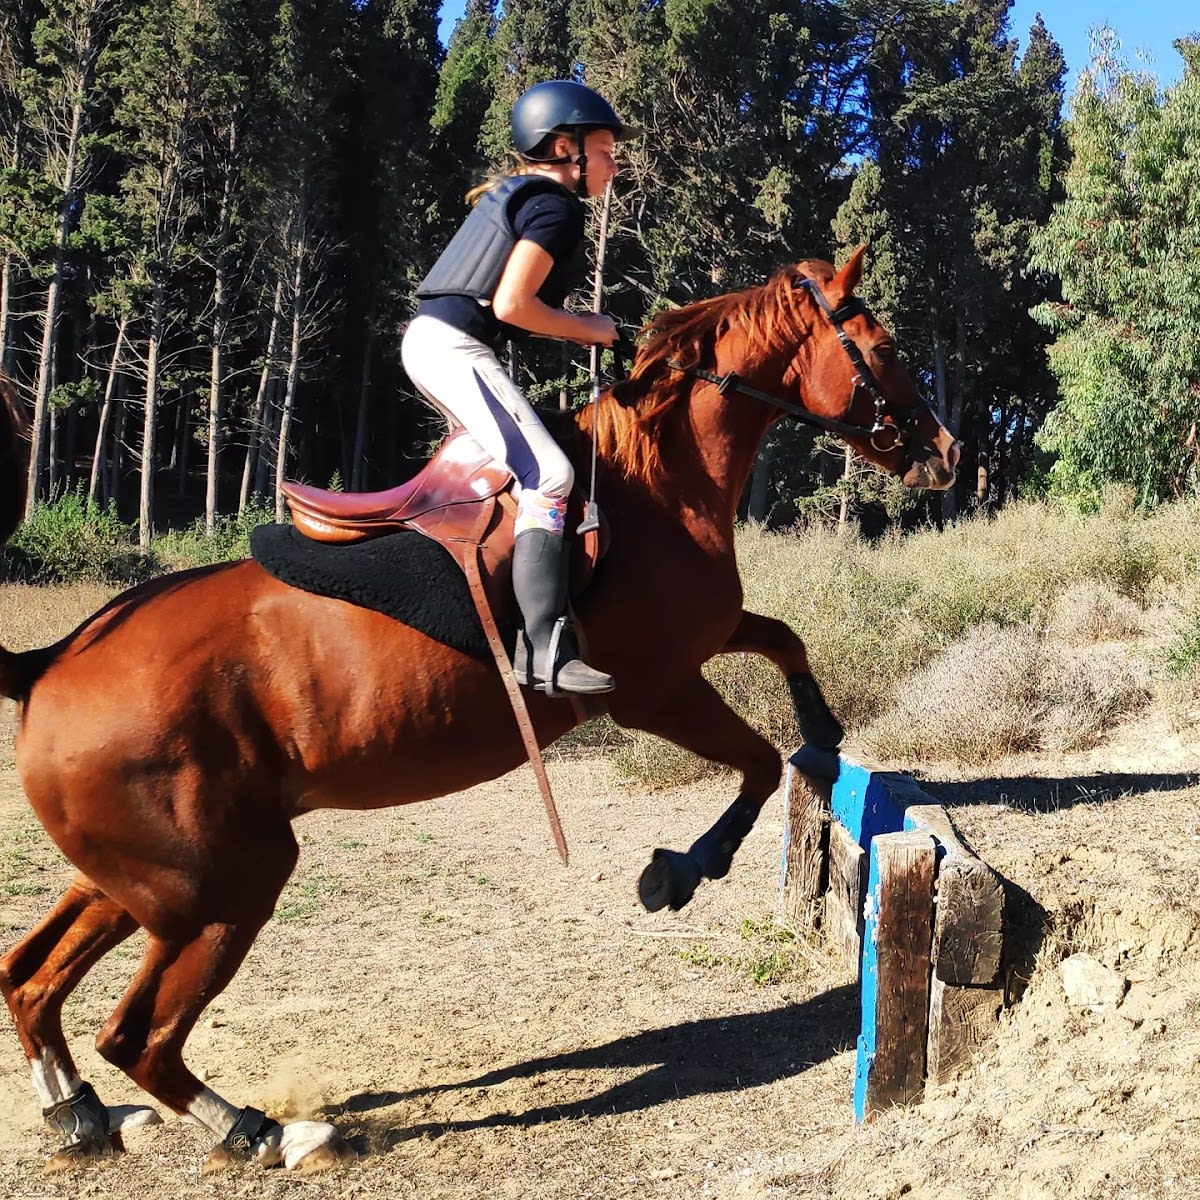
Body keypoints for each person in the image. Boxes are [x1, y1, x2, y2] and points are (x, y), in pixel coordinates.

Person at [401, 80, 635, 697]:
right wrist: (596, 330)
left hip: (433, 342)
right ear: (566, 148)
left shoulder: (518, 195)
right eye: (607, 151)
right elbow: (512, 305)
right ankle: (545, 650)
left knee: (525, 464)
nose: (616, 166)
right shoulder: (555, 206)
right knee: (551, 476)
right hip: (453, 347)